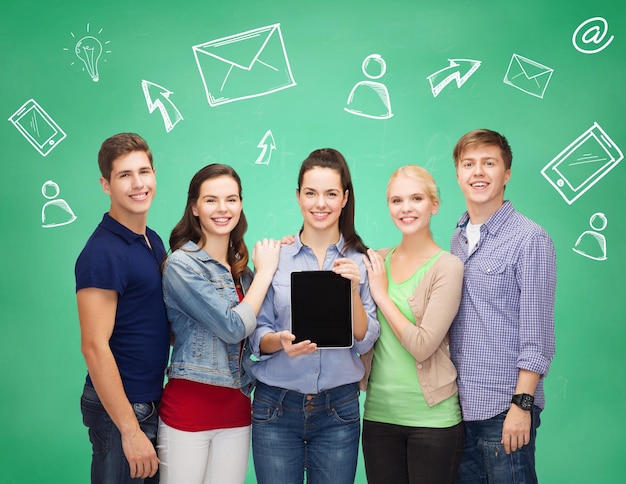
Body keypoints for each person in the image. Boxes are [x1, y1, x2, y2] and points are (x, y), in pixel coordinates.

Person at [249, 148, 380, 484]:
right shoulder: (275, 256)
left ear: (345, 198)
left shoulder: (361, 261)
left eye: (331, 194)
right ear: (298, 196)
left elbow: (365, 342)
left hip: (339, 409)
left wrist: (352, 288)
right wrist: (279, 342)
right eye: (311, 193)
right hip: (275, 407)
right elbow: (256, 334)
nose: (320, 203)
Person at [156, 164, 281, 484]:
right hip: (188, 411)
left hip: (237, 411)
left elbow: (255, 338)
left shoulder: (242, 271)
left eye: (232, 199)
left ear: (240, 204)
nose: (223, 209)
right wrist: (266, 271)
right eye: (211, 200)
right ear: (194, 207)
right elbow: (233, 327)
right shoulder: (181, 264)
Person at [449, 129, 556, 483]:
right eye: (469, 164)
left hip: (504, 408)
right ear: (458, 173)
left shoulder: (530, 239)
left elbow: (537, 335)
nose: (478, 172)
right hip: (459, 409)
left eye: (488, 163)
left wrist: (521, 406)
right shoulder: (458, 238)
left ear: (506, 173)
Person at [360, 165, 465, 484]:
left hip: (433, 422)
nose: (406, 208)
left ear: (434, 205)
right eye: (396, 200)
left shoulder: (448, 267)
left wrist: (381, 294)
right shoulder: (375, 260)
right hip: (378, 417)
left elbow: (423, 346)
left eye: (416, 198)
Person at [75, 133, 170, 483]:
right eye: (124, 175)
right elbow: (94, 346)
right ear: (106, 184)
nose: (138, 183)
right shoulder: (103, 252)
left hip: (150, 402)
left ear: (154, 174)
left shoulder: (152, 240)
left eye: (143, 172)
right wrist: (130, 430)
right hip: (121, 411)